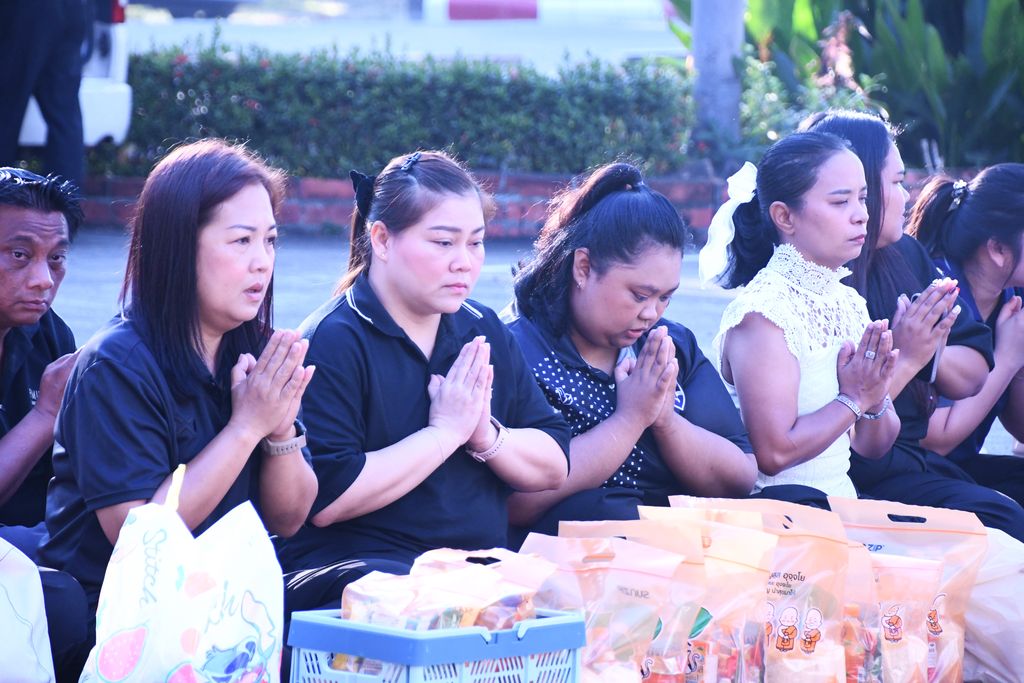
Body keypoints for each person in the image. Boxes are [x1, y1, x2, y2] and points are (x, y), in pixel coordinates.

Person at [277, 151, 570, 613]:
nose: (464, 263)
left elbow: (554, 464)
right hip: (366, 579)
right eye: (442, 243)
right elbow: (327, 498)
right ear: (382, 239)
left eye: (475, 243)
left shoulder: (482, 328)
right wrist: (443, 434)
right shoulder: (333, 339)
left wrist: (485, 435)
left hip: (473, 574)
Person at [40, 139, 318, 614]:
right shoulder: (115, 365)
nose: (262, 261)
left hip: (226, 602)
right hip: (116, 617)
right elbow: (142, 538)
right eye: (241, 240)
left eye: (270, 240)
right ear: (179, 246)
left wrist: (278, 430)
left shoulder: (253, 347)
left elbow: (290, 518)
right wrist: (246, 426)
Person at [802, 111, 1024, 541]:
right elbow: (851, 435)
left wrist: (929, 351)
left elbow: (974, 366)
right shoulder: (819, 280)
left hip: (914, 463)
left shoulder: (905, 254)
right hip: (866, 472)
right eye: (897, 182)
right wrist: (911, 355)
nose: (908, 197)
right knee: (1005, 523)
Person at [503, 162, 756, 535]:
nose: (651, 313)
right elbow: (512, 503)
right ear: (584, 268)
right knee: (604, 512)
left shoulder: (670, 346)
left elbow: (740, 478)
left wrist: (664, 419)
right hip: (574, 565)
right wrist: (629, 420)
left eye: (665, 298)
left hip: (676, 551)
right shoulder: (517, 350)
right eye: (639, 295)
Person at [705, 131, 900, 506]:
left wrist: (874, 398)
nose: (861, 215)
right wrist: (854, 398)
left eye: (862, 198)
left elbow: (874, 447)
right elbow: (774, 455)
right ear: (784, 216)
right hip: (784, 520)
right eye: (840, 201)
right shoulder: (763, 313)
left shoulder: (848, 301)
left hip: (843, 505)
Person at [0, 167, 89, 681]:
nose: (43, 279)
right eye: (19, 255)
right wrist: (45, 414)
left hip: (36, 537)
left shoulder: (48, 333)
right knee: (60, 598)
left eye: (56, 259)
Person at [906, 164, 1024, 505]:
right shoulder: (937, 295)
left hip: (959, 468)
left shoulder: (1011, 295)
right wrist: (1007, 359)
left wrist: (1017, 369)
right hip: (913, 473)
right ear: (998, 250)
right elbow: (937, 438)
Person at [0, 0, 88, 188]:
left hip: (25, 11)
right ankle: (66, 208)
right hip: (72, 8)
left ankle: (4, 203)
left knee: (6, 111)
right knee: (65, 118)